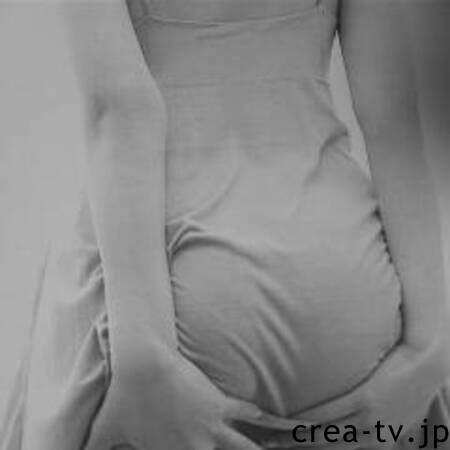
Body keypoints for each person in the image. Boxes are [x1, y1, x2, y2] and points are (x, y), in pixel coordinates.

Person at [1, 0, 449, 449]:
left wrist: (141, 361)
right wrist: (428, 347)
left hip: (151, 306)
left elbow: (118, 112)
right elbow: (392, 114)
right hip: (348, 291)